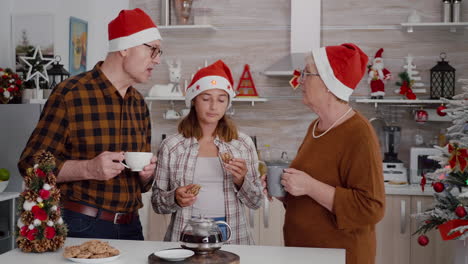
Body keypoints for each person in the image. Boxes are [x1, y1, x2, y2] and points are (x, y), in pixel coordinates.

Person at [17, 8, 162, 240]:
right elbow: (30, 165)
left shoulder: (139, 103)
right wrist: (89, 168)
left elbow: (141, 183)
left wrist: (146, 176)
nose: (157, 59)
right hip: (82, 225)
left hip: (131, 226)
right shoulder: (71, 94)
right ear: (124, 47)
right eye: (152, 49)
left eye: (159, 51)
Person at [267, 43, 385, 264]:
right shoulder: (316, 126)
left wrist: (311, 186)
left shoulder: (359, 134)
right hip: (304, 253)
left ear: (329, 84)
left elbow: (371, 208)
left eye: (307, 73)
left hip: (341, 256)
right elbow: (312, 195)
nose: (300, 80)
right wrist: (287, 192)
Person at [152, 60, 263, 244]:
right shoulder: (171, 146)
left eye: (221, 99)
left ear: (228, 103)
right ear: (194, 100)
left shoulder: (242, 144)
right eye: (206, 98)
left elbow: (256, 202)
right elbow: (157, 203)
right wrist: (175, 198)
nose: (213, 106)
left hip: (233, 237)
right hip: (185, 237)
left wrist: (241, 180)